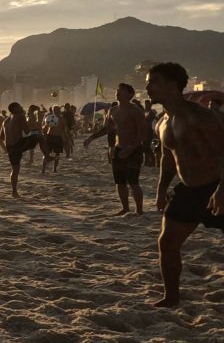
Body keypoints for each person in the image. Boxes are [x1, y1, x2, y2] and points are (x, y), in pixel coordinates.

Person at [145, 63, 224, 307]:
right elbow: (168, 159)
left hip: (217, 185)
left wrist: (222, 190)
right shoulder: (163, 122)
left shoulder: (199, 116)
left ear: (173, 85)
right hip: (188, 190)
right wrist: (161, 189)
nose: (148, 87)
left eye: (154, 81)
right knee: (167, 243)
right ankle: (171, 297)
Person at [84, 84, 147, 216]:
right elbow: (107, 129)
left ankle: (139, 210)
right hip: (119, 148)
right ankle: (125, 208)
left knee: (133, 181)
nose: (117, 93)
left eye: (120, 91)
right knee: (119, 181)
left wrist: (131, 148)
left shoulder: (136, 111)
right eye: (117, 90)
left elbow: (142, 133)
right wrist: (91, 138)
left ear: (130, 94)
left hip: (134, 150)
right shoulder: (113, 111)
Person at [0, 102, 53, 197]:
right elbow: (27, 131)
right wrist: (38, 124)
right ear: (15, 109)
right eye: (20, 106)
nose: (22, 107)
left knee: (15, 170)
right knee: (39, 136)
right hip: (19, 144)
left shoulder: (5, 121)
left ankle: (14, 191)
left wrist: (5, 150)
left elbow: (0, 139)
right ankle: (47, 156)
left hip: (10, 147)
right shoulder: (20, 116)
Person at [42, 106, 66, 174]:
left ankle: (55, 169)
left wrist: (65, 137)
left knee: (57, 154)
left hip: (58, 137)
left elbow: (64, 129)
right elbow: (44, 128)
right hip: (50, 137)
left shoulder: (62, 118)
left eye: (58, 110)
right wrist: (44, 135)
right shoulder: (49, 118)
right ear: (53, 111)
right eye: (55, 110)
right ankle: (43, 169)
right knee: (47, 153)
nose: (57, 111)